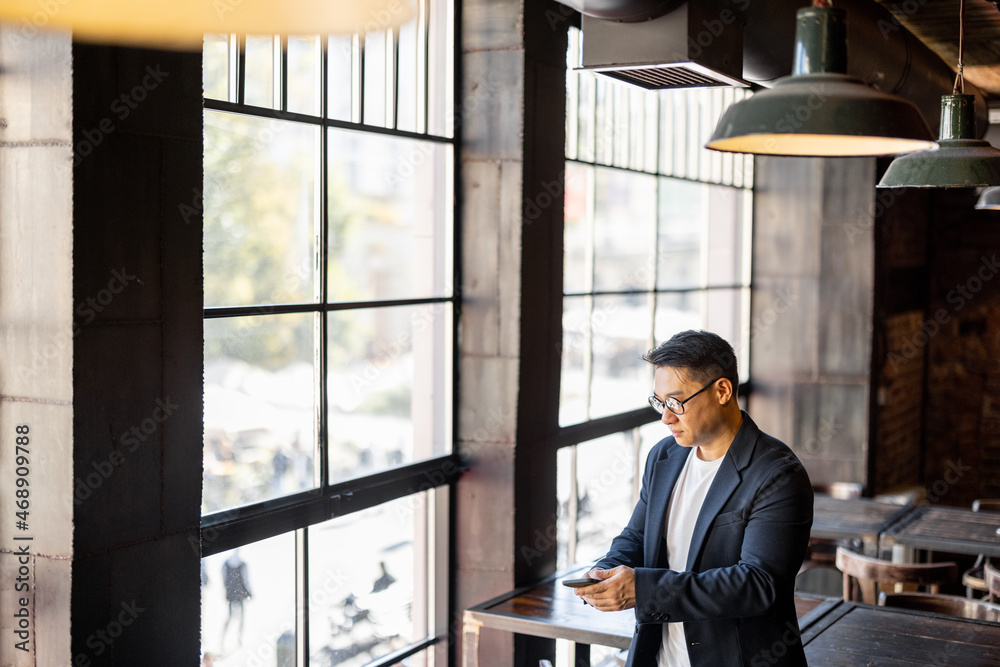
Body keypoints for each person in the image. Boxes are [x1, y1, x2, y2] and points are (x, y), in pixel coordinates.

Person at [575, 330, 813, 667]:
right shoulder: (664, 456)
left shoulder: (777, 475)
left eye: (676, 402)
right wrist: (606, 570)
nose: (665, 417)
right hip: (660, 656)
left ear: (722, 391)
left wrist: (644, 590)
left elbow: (758, 584)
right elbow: (638, 536)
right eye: (659, 402)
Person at [222, 550, 252, 648]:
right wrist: (249, 592)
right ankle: (239, 639)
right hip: (240, 593)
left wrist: (226, 589)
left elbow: (224, 578)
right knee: (241, 617)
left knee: (230, 616)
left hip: (231, 593)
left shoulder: (226, 563)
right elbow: (245, 579)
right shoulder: (242, 564)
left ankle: (223, 638)